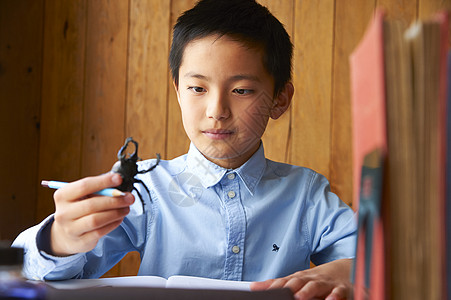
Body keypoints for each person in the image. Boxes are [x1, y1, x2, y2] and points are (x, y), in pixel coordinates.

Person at [13, 0, 356, 299]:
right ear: (178, 91)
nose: (216, 110)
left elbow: (374, 260)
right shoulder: (147, 191)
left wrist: (350, 271)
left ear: (279, 99)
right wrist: (57, 239)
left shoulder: (306, 194)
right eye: (197, 88)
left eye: (241, 91)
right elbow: (26, 272)